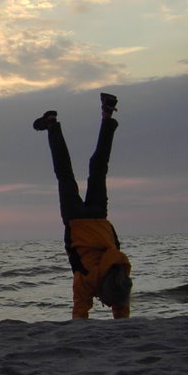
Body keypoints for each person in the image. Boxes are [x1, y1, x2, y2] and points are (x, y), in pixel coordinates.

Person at [33, 93, 132, 319]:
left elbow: (116, 243)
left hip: (99, 216)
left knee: (98, 167)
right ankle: (51, 125)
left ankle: (107, 115)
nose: (107, 305)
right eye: (108, 303)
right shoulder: (87, 279)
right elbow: (80, 312)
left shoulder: (122, 269)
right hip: (76, 219)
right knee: (64, 174)